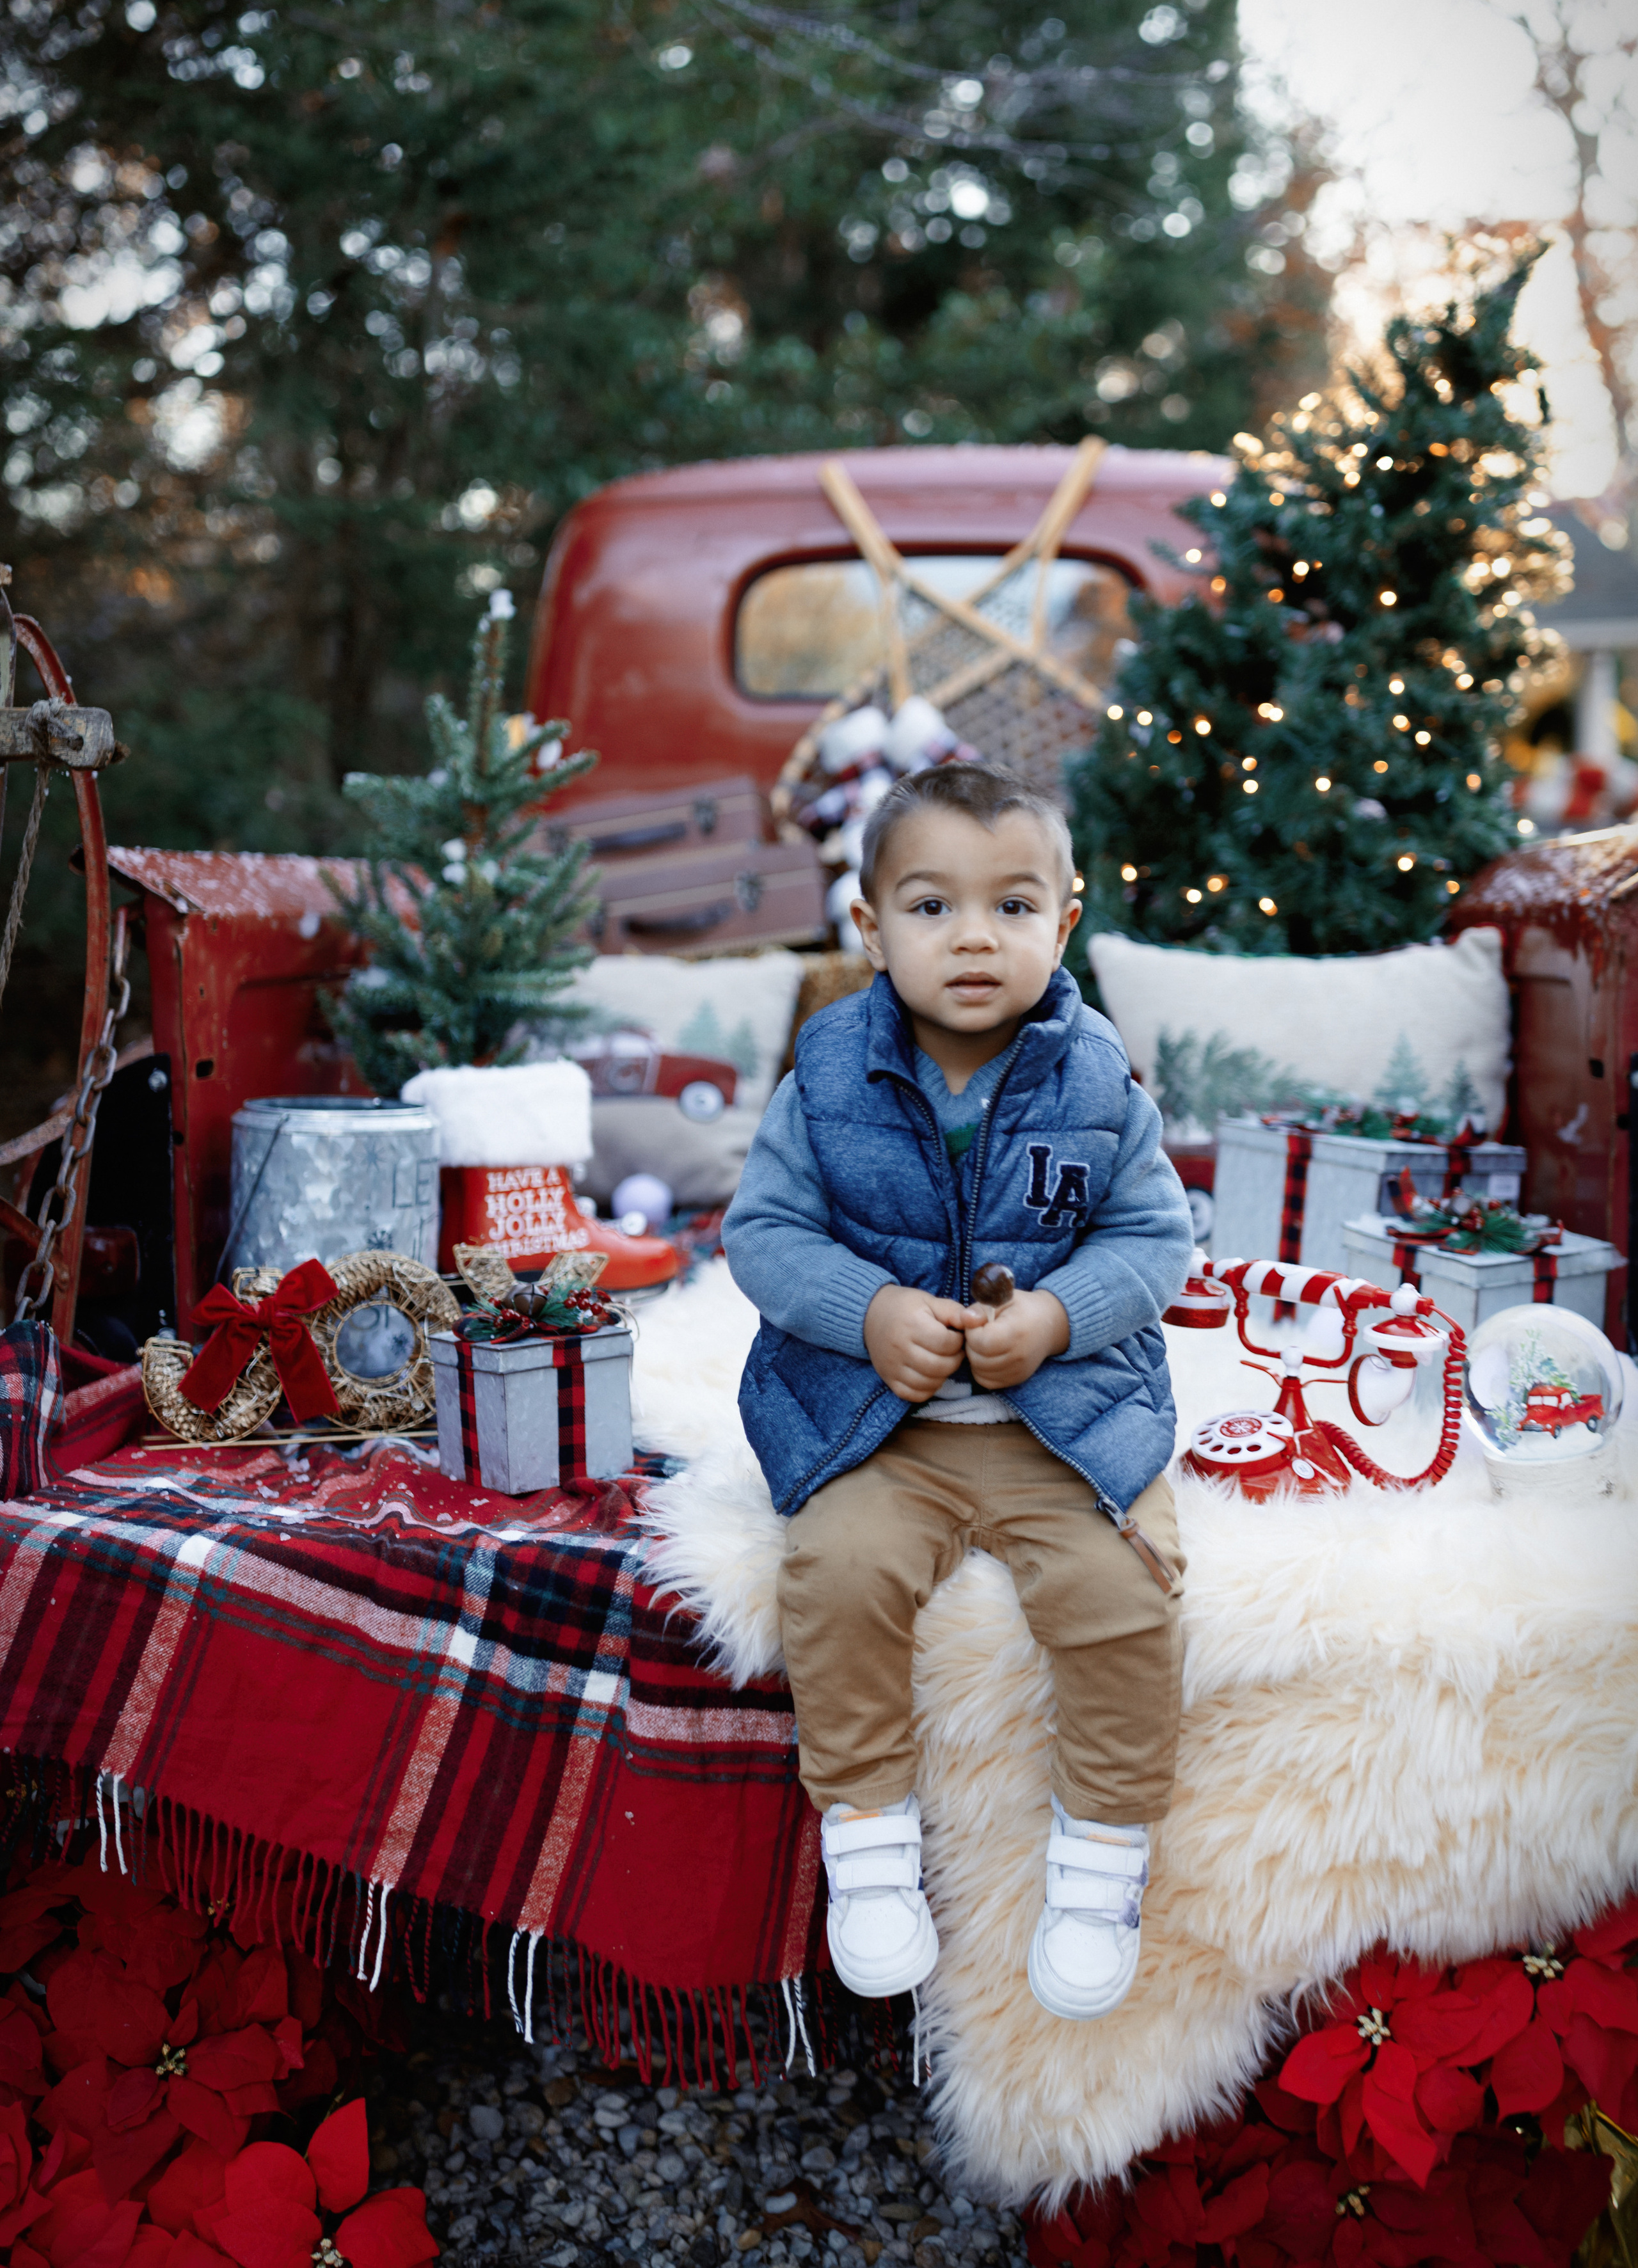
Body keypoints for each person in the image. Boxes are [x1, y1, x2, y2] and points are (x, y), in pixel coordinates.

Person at [722, 761, 1193, 2021]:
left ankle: (1098, 1865)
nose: (973, 937)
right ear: (868, 928)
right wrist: (864, 1313)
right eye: (931, 908)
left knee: (1119, 1604)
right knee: (836, 1574)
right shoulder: (823, 1083)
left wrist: (1056, 1314)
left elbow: (1153, 1244)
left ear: (1065, 922)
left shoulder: (1099, 1085)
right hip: (877, 1429)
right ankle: (869, 1848)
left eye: (1011, 907)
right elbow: (764, 1237)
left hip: (1062, 1428)